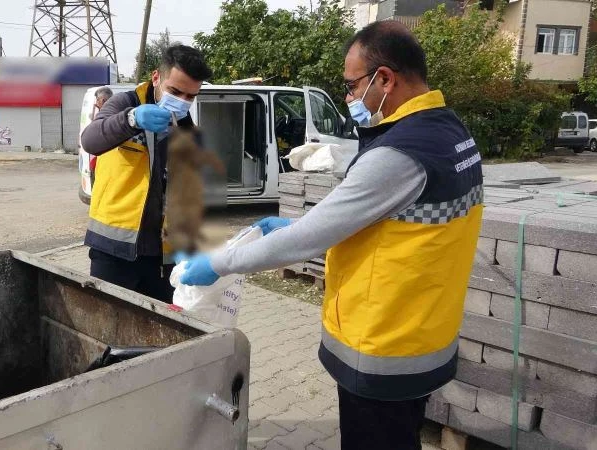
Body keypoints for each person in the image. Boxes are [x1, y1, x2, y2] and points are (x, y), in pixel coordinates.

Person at [180, 21, 483, 450]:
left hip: (382, 347)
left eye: (352, 85)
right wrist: (297, 225)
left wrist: (218, 262)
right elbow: (392, 224)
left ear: (385, 78)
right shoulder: (450, 131)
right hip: (424, 335)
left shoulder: (399, 154)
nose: (348, 97)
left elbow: (307, 240)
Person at [79, 45, 213, 303]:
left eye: (190, 96)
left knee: (160, 325)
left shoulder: (188, 131)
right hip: (115, 250)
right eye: (175, 91)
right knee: (110, 322)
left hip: (164, 257)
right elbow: (91, 140)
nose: (182, 101)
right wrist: (131, 120)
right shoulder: (126, 104)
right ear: (156, 77)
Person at [88, 86, 115, 188]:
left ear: (102, 100)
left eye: (97, 100)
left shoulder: (105, 117)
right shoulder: (116, 114)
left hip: (103, 162)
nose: (96, 103)